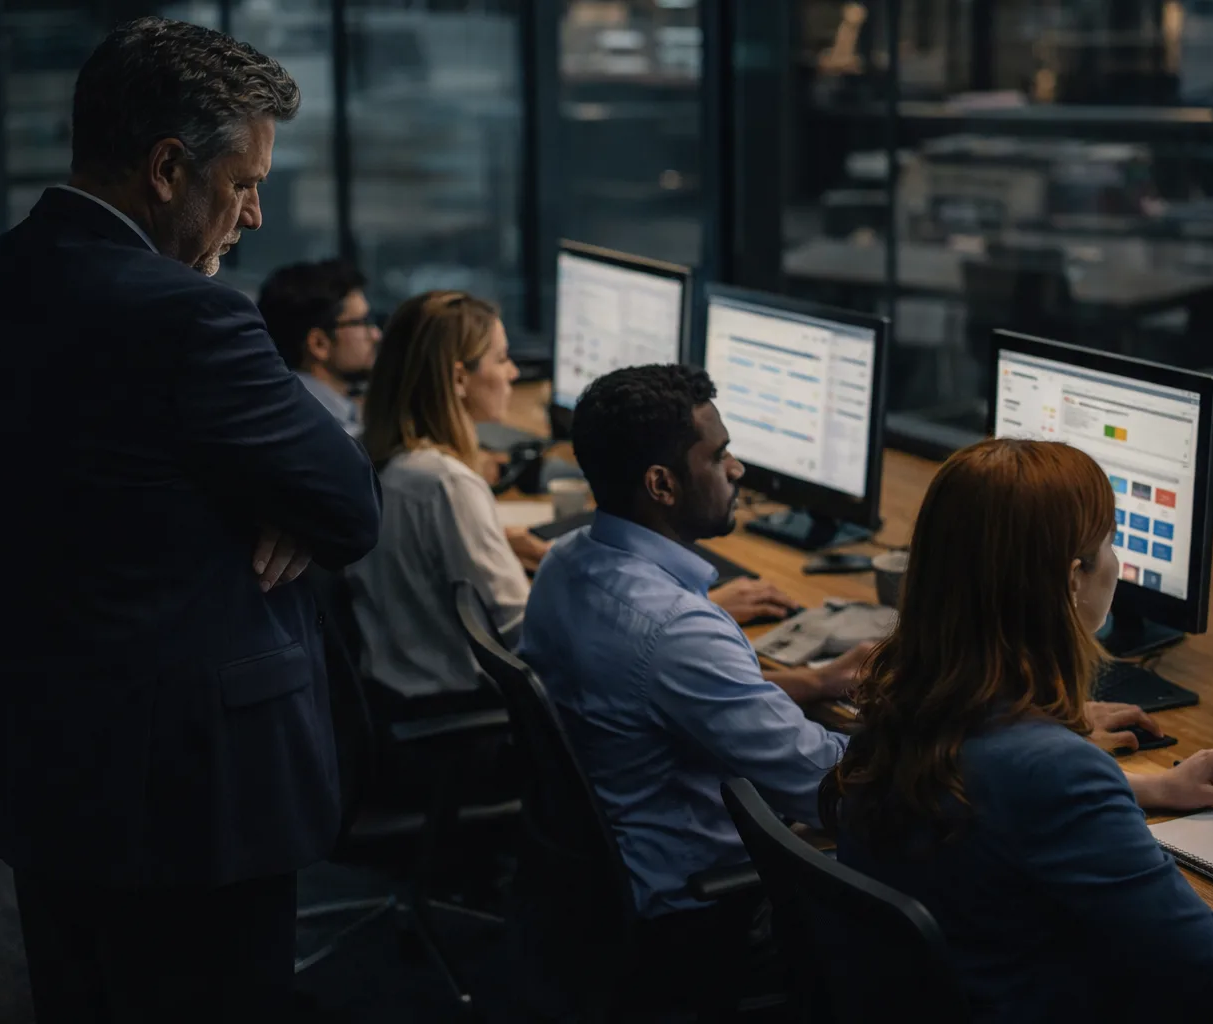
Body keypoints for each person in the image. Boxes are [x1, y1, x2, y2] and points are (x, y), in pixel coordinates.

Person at [0, 18, 382, 1022]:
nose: (256, 215)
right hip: (192, 797)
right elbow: (351, 504)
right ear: (168, 167)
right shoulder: (187, 316)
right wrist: (286, 505)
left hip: (45, 764)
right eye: (244, 183)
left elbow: (94, 485)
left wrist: (272, 501)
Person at [826, 438, 1213, 1023]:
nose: (1117, 562)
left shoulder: (902, 697)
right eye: (1109, 541)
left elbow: (991, 797)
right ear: (1072, 578)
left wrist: (1148, 787)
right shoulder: (1049, 769)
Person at [519, 365, 865, 923]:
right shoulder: (677, 630)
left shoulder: (563, 561)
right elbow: (834, 794)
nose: (737, 468)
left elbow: (656, 691)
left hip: (594, 876)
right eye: (717, 455)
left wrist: (816, 682)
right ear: (662, 484)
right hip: (702, 901)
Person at [350, 321, 810, 711]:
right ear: (458, 377)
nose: (514, 371)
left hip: (395, 686)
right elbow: (524, 640)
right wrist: (695, 612)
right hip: (458, 714)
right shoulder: (448, 484)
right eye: (502, 357)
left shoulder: (391, 459)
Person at [256, 258, 380, 437]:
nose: (376, 334)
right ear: (319, 344)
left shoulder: (291, 407)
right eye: (363, 322)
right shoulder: (318, 429)